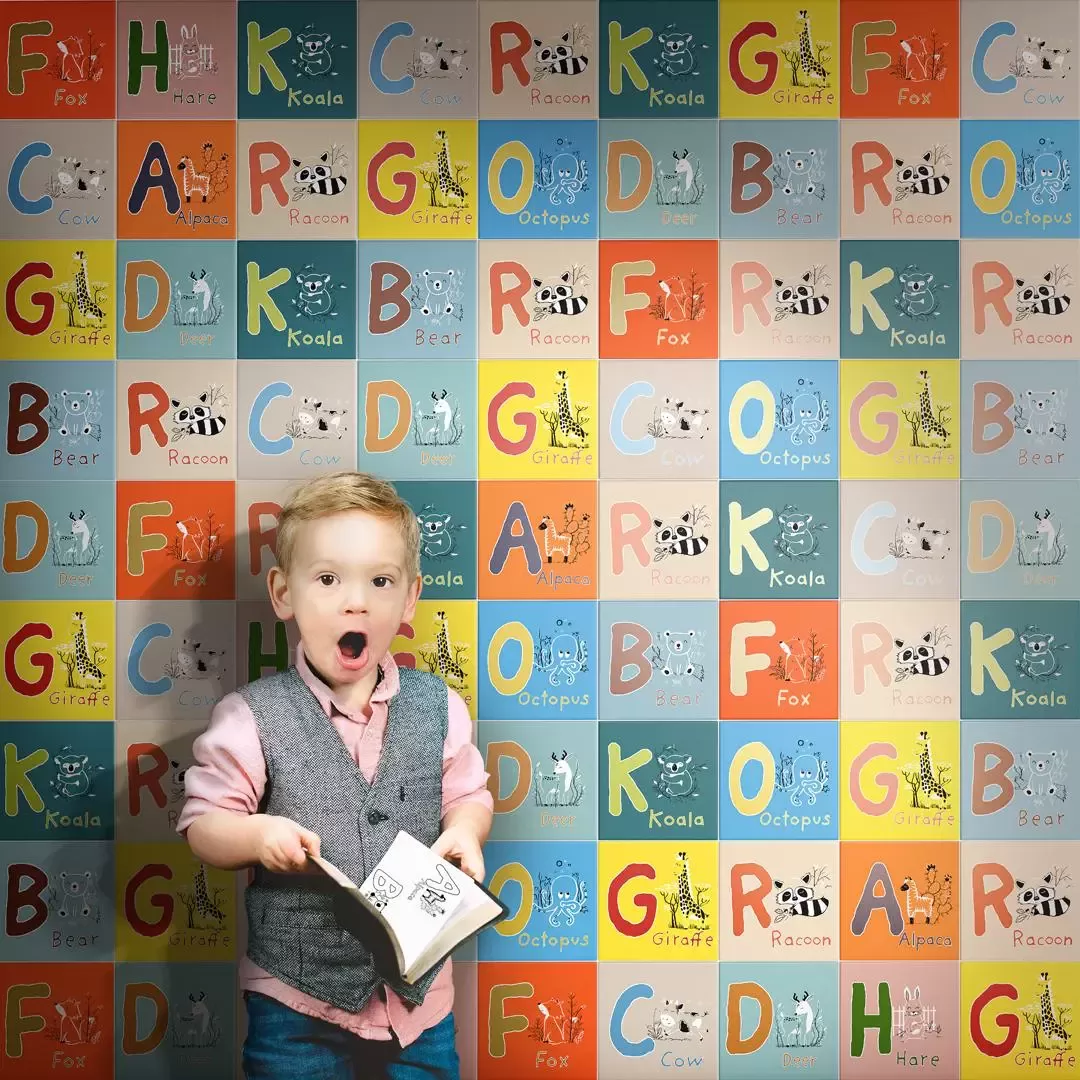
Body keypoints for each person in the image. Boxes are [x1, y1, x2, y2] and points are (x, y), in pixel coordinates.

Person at [177, 471, 494, 1080]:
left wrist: (465, 829)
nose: (357, 602)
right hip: (296, 1002)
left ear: (409, 599)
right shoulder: (250, 716)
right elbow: (203, 824)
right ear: (283, 593)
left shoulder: (441, 706)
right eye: (328, 579)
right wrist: (256, 836)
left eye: (381, 581)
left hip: (419, 1001)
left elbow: (468, 794)